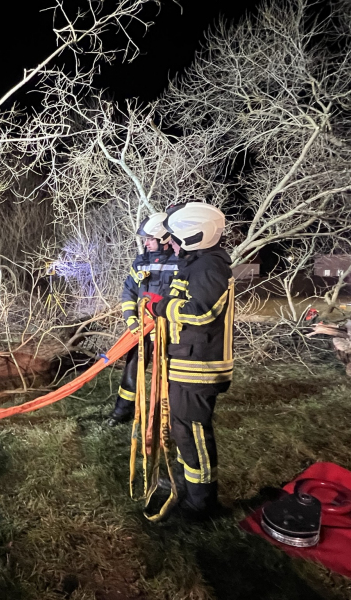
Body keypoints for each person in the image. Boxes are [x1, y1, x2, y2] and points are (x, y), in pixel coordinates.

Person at [146, 202, 234, 517]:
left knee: (193, 432)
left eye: (174, 238)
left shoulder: (208, 267)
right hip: (187, 361)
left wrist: (160, 308)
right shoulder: (199, 264)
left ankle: (201, 503)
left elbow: (201, 312)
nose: (170, 243)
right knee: (183, 429)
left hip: (199, 367)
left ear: (194, 236)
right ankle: (188, 485)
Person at [105, 212, 178, 427]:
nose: (146, 244)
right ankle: (121, 412)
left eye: (150, 239)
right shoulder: (140, 262)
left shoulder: (179, 263)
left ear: (165, 239)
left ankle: (167, 415)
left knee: (167, 374)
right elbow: (129, 291)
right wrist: (131, 320)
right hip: (141, 329)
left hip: (167, 331)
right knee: (132, 371)